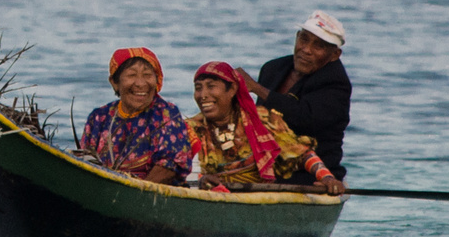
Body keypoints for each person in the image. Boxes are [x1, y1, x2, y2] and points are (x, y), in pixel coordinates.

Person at [186, 61, 343, 194]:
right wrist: (200, 179)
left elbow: (302, 155)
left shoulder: (262, 120)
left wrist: (327, 178)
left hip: (258, 198)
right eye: (198, 88)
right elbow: (176, 167)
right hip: (212, 197)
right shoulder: (191, 128)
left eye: (211, 86)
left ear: (232, 89)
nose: (203, 95)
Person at [236, 11, 351, 182]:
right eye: (303, 39)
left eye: (318, 46)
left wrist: (257, 88)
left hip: (310, 174)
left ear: (335, 55)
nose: (306, 50)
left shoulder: (336, 83)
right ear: (297, 37)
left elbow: (304, 117)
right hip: (267, 164)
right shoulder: (272, 68)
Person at [77, 48, 191, 185]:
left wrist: (135, 194)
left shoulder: (166, 113)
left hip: (150, 195)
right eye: (132, 75)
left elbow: (169, 166)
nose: (141, 83)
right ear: (114, 82)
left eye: (147, 75)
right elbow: (85, 163)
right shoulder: (99, 118)